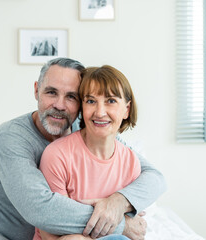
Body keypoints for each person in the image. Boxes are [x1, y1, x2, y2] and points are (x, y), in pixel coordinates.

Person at [0, 58, 166, 240]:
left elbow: (154, 177)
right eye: (51, 92)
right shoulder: (11, 136)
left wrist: (119, 202)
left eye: (71, 96)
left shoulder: (87, 129)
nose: (59, 105)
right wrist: (120, 225)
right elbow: (40, 209)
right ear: (36, 90)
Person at [35, 65, 146, 240]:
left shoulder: (132, 163)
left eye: (110, 101)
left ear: (127, 109)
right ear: (81, 108)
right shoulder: (56, 155)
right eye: (91, 101)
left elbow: (135, 229)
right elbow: (49, 230)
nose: (100, 112)